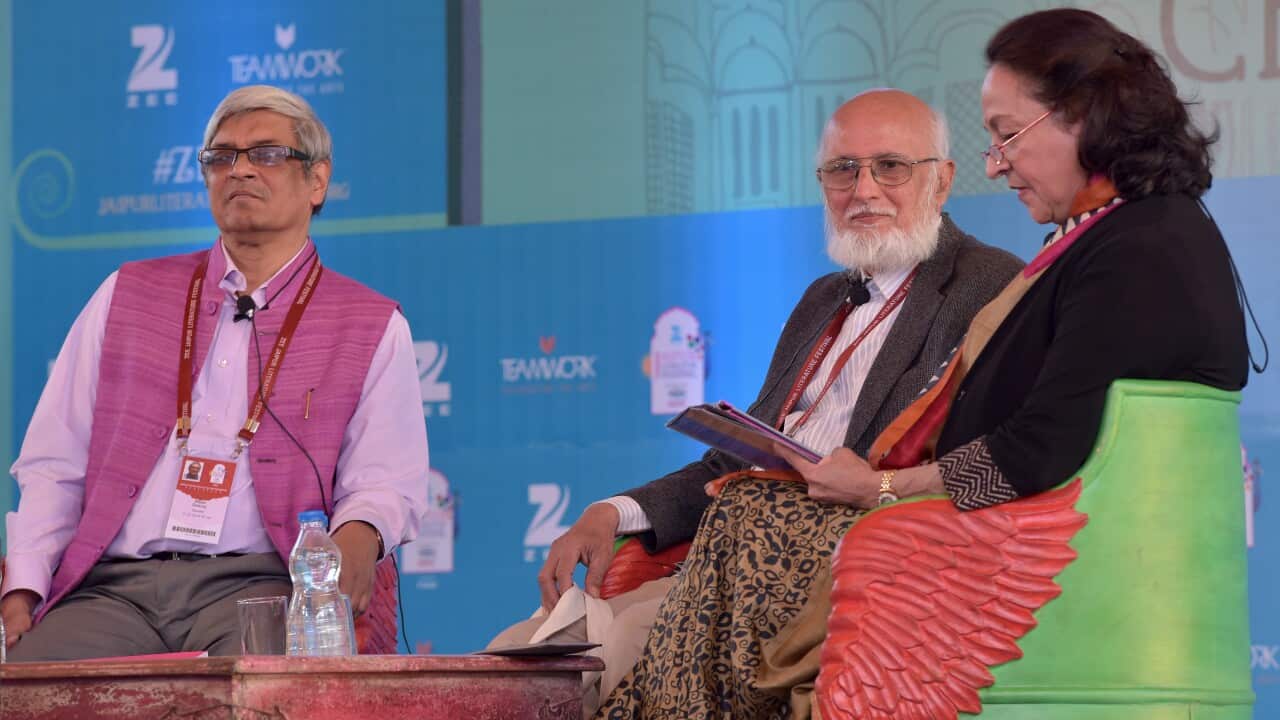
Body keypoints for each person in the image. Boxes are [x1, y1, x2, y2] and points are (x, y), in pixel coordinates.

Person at [614, 8, 1252, 719]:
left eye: (1008, 135)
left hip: (1030, 555)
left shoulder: (1138, 246)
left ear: (1083, 118)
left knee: (754, 514)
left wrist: (885, 490)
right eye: (841, 169)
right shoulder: (1119, 235)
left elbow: (1038, 449)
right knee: (743, 510)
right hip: (995, 530)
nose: (998, 160)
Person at [492, 89, 1024, 717]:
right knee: (513, 657)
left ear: (941, 180)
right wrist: (611, 514)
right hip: (728, 559)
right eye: (842, 170)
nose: (863, 190)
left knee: (593, 663)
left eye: (891, 167)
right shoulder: (822, 300)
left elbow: (982, 463)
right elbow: (733, 464)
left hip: (841, 568)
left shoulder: (987, 287)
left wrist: (878, 487)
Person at [0, 85, 430, 660]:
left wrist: (359, 533)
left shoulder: (369, 324)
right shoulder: (126, 293)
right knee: (36, 686)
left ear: (318, 180)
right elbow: (55, 462)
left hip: (263, 586)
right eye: (221, 157)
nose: (241, 170)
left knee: (268, 691)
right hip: (113, 590)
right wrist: (23, 585)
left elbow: (385, 481)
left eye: (268, 154)